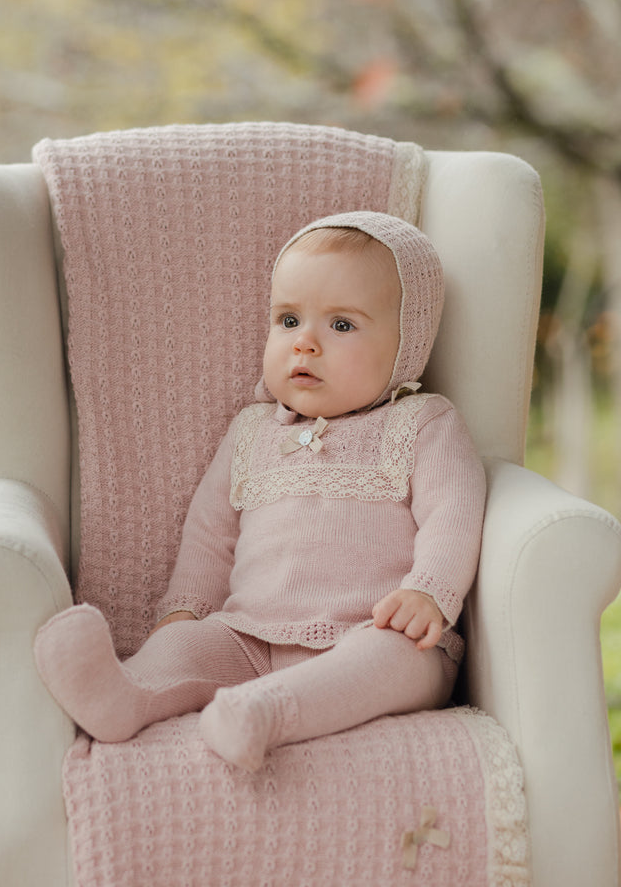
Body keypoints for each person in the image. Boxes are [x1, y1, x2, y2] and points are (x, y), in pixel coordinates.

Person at [35, 210, 486, 771]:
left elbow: (455, 512)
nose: (306, 344)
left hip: (375, 632)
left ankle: (266, 714)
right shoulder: (251, 430)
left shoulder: (422, 423)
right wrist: (185, 610)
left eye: (341, 325)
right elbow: (209, 534)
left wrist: (429, 592)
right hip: (250, 638)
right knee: (185, 648)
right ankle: (125, 695)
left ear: (407, 343)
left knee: (393, 661)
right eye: (289, 320)